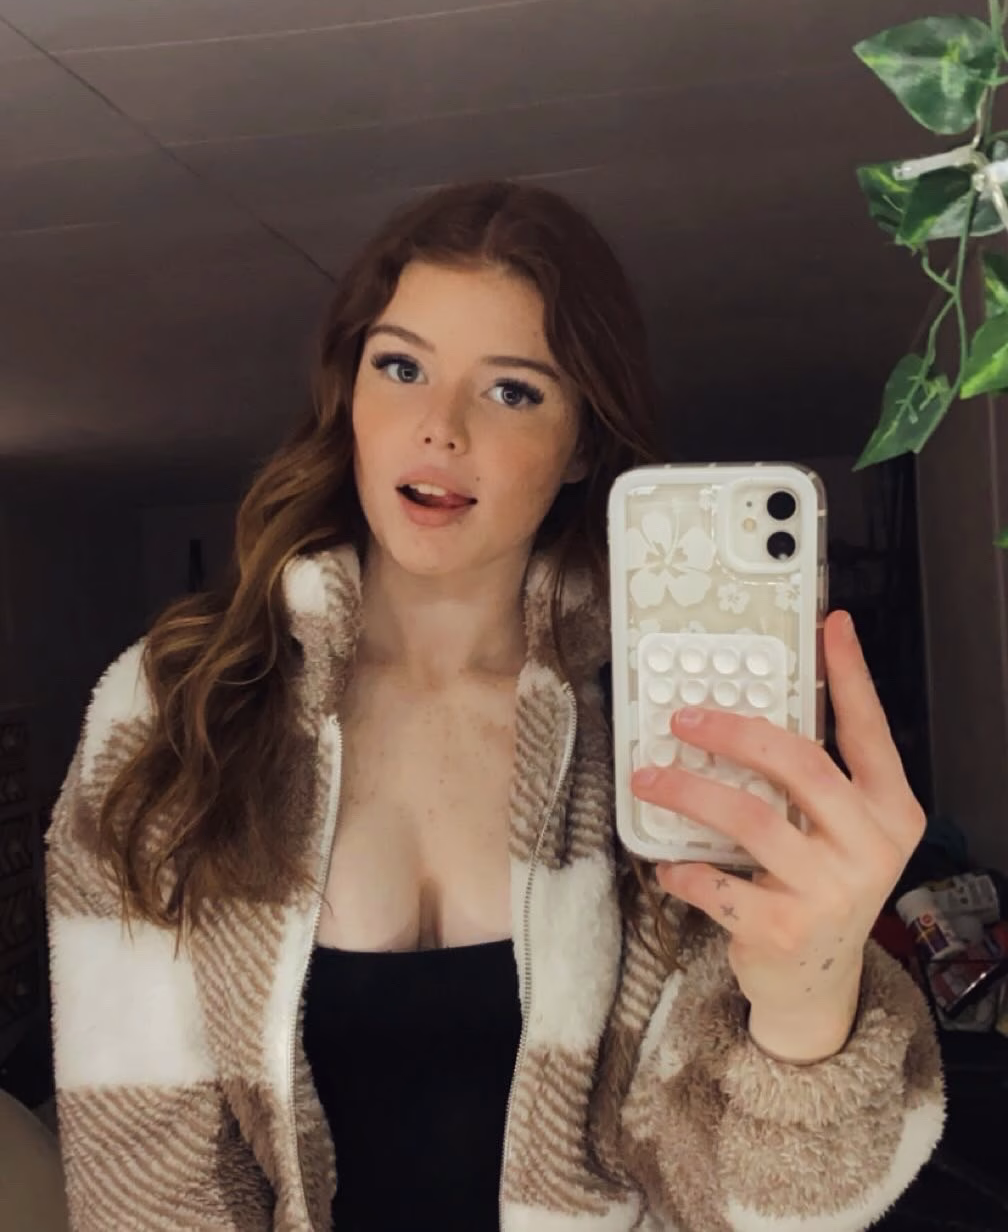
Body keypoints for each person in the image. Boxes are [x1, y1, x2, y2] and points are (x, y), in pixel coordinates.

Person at [45, 180, 944, 1232]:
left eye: (513, 391)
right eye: (401, 367)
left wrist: (810, 1006)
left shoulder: (662, 735)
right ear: (348, 391)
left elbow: (745, 1211)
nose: (439, 428)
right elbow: (141, 1172)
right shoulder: (178, 710)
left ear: (585, 445)